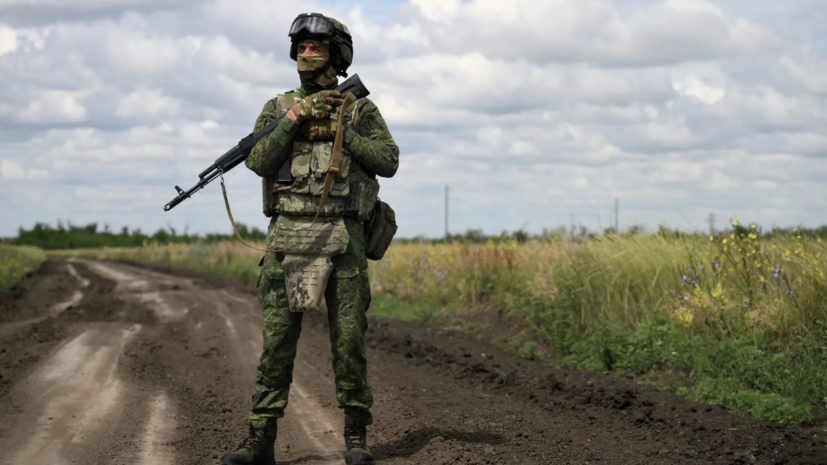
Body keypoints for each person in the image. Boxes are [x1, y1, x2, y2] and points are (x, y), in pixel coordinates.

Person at [221, 12, 399, 465]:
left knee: (349, 340)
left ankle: (356, 437)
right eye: (300, 47)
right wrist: (295, 118)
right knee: (277, 342)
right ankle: (260, 438)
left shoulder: (358, 109)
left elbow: (388, 161)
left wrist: (341, 131)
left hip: (345, 239)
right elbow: (259, 160)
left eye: (315, 47)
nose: (305, 53)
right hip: (287, 239)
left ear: (336, 56)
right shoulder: (278, 107)